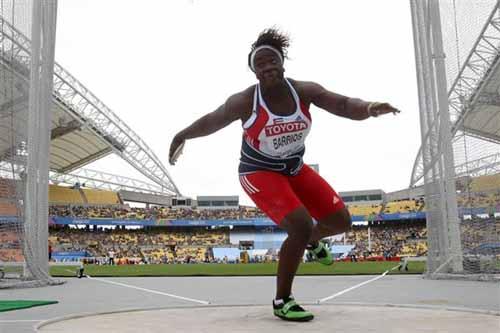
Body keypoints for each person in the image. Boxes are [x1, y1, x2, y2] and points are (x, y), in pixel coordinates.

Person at [169, 28, 400, 322]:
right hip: (259, 171)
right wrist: (182, 135)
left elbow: (341, 103)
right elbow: (213, 120)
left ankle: (313, 242)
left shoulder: (304, 90)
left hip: (293, 167)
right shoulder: (245, 101)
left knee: (341, 221)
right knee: (300, 224)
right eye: (260, 64)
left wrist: (368, 108)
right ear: (254, 72)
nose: (267, 68)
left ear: (282, 64)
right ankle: (283, 300)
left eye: (271, 62)